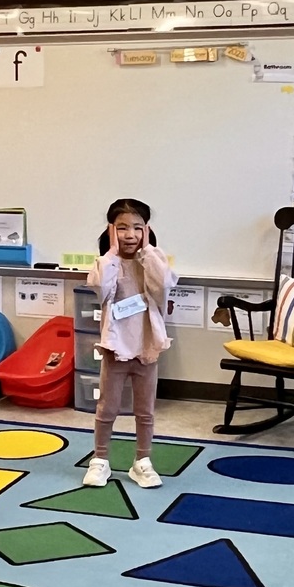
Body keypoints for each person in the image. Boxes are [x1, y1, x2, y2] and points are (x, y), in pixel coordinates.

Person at [82, 198, 177, 489]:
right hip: (116, 347)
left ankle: (142, 461)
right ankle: (99, 460)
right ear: (111, 230)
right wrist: (111, 252)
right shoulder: (107, 263)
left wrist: (147, 251)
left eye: (137, 228)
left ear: (147, 230)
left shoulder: (152, 260)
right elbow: (101, 287)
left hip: (147, 347)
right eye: (121, 227)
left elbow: (164, 284)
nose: (130, 234)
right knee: (106, 407)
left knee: (145, 410)